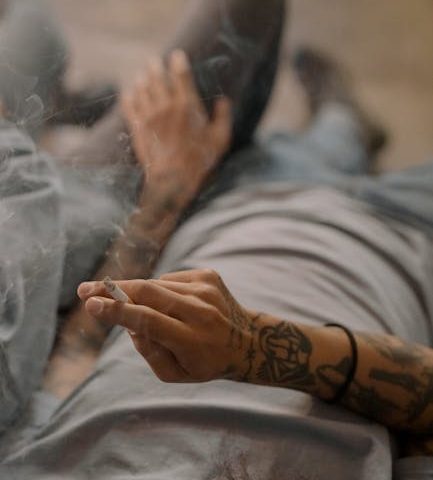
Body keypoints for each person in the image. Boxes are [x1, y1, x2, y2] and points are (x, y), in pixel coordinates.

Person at [0, 1, 433, 480]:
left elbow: (77, 351)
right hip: (401, 243)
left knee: (280, 133)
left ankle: (341, 126)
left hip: (233, 206)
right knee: (321, 150)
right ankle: (344, 124)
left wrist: (167, 194)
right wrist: (252, 348)